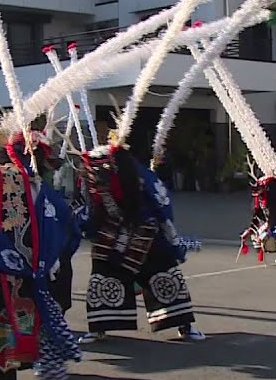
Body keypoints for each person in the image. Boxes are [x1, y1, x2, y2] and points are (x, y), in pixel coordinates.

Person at [77, 144, 206, 345]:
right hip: (112, 236)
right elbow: (94, 213)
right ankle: (98, 327)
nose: (96, 173)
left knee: (165, 276)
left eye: (101, 168)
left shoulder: (142, 178)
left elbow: (162, 207)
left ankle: (185, 325)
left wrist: (171, 237)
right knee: (102, 277)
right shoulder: (95, 184)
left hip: (146, 234)